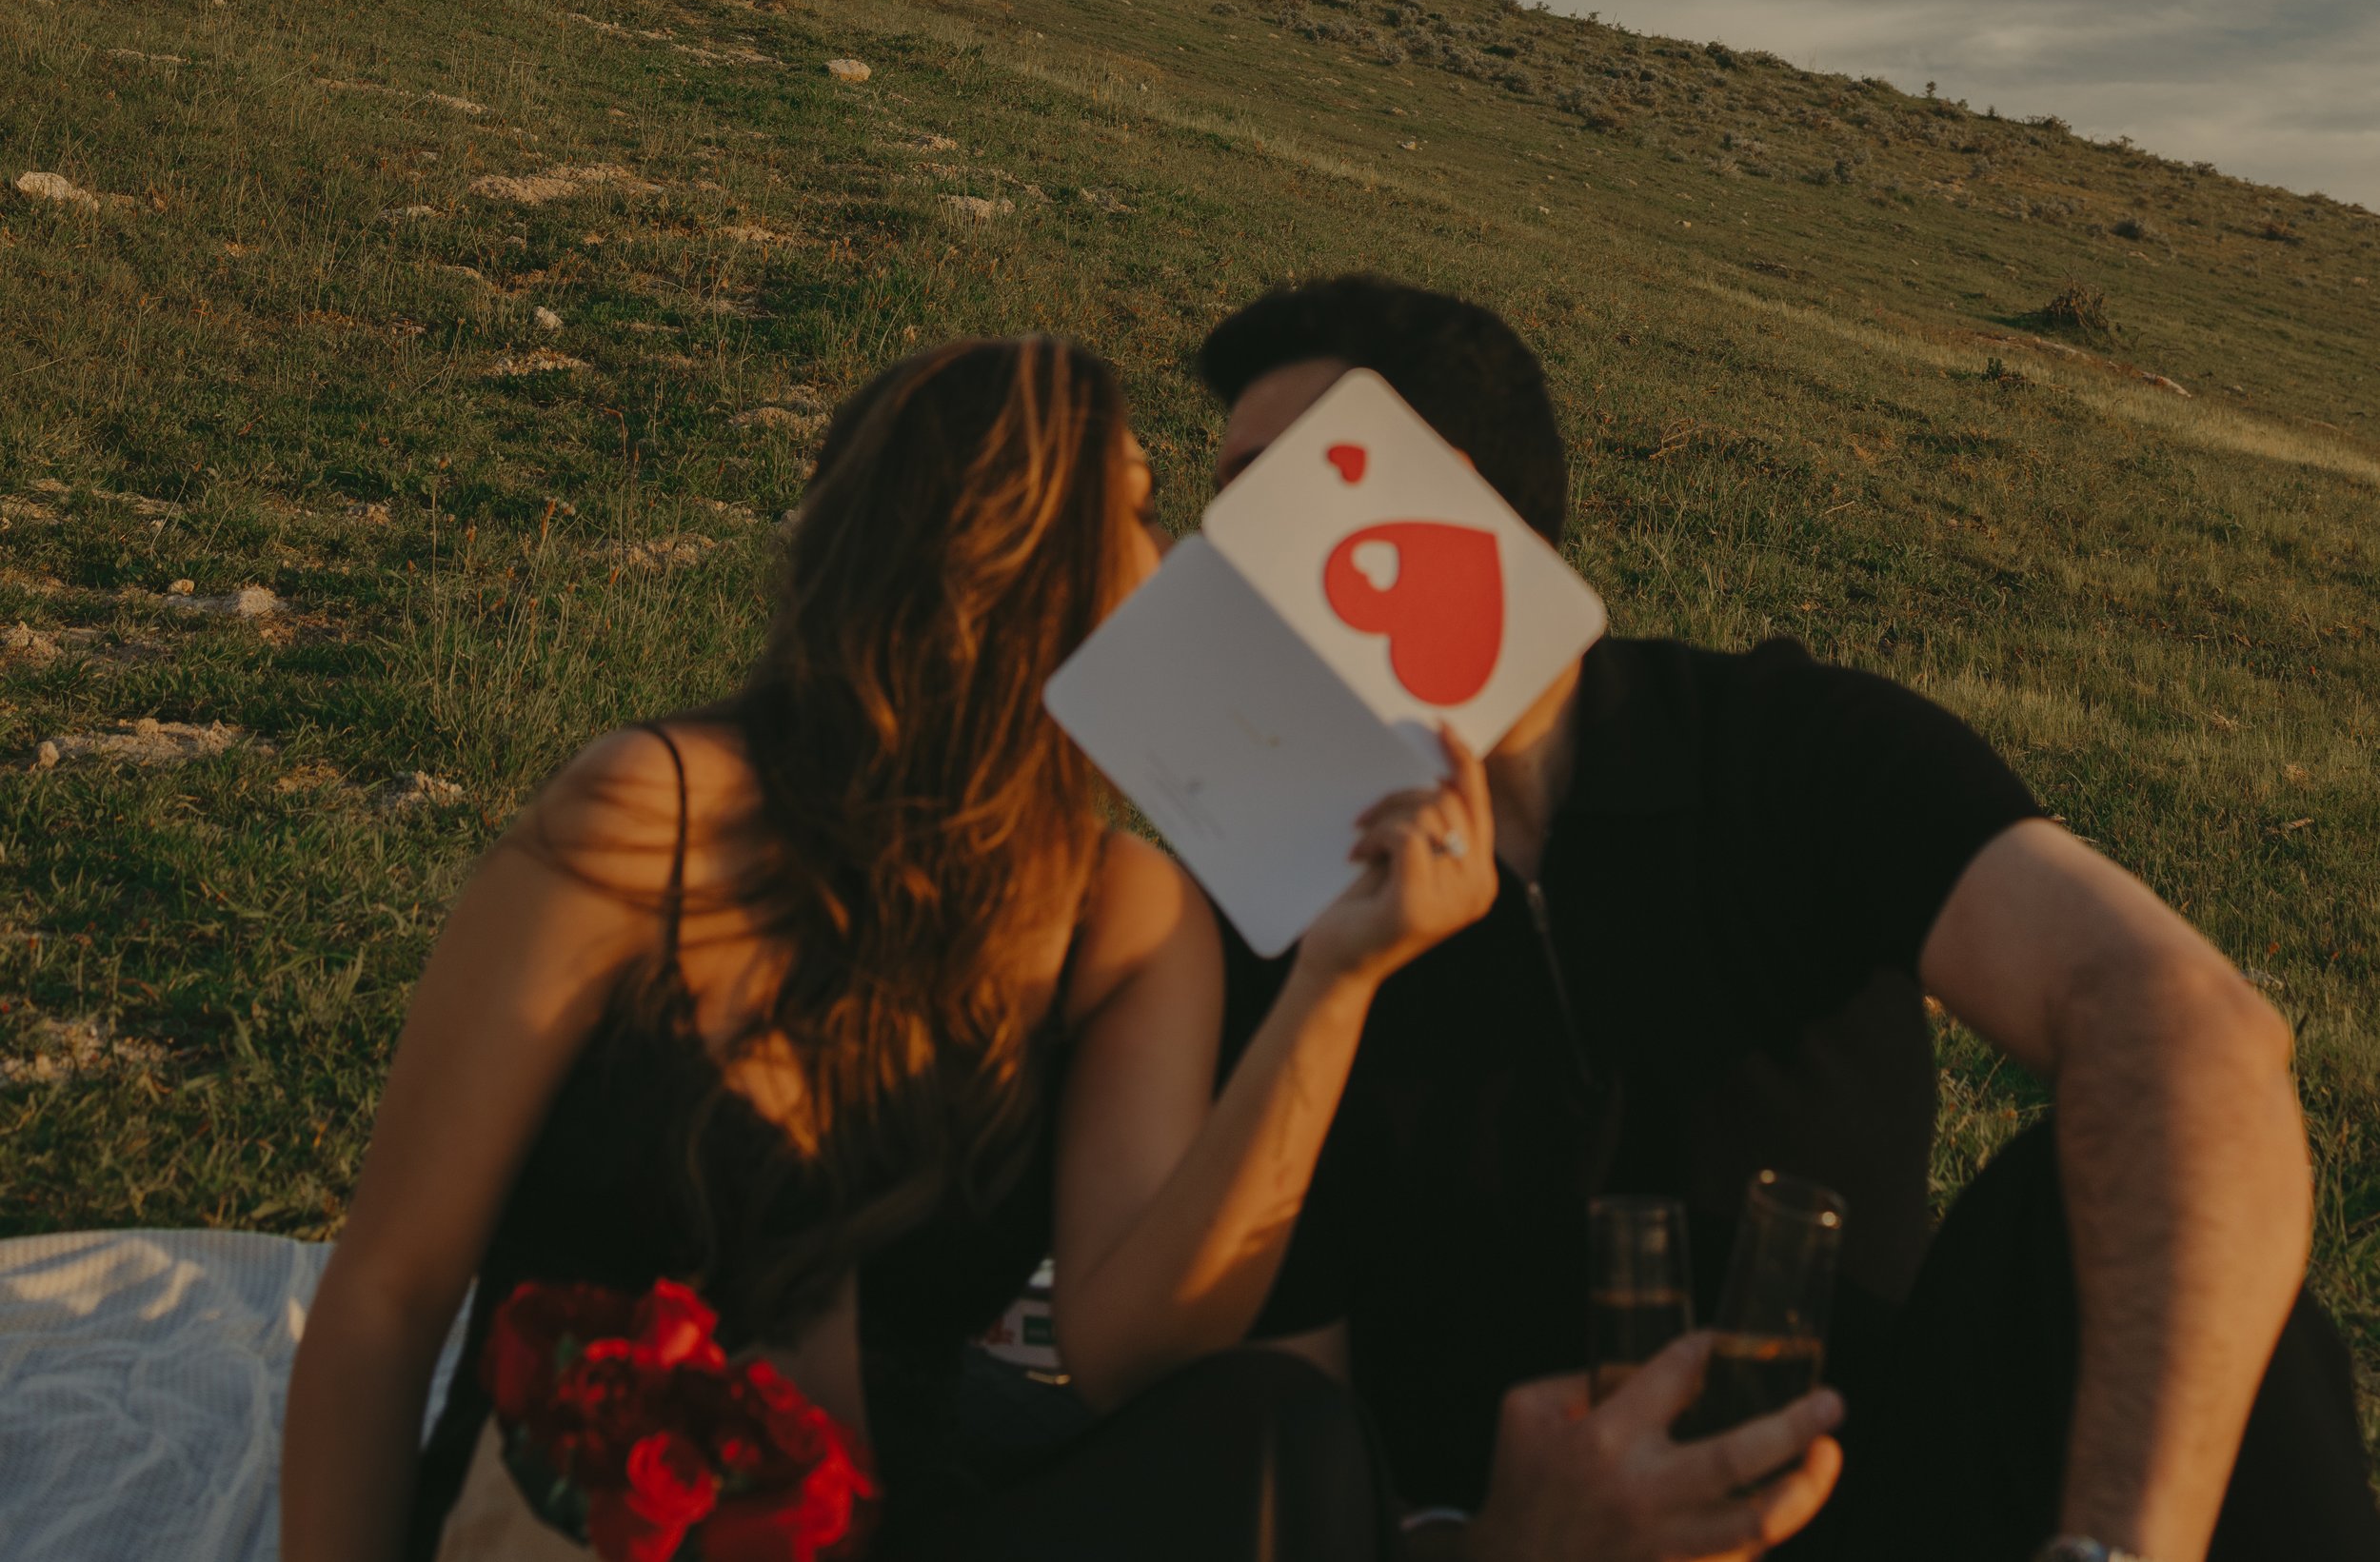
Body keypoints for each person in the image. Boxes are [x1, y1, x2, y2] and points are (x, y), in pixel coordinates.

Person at [1197, 275, 2380, 1562]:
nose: (1226, 569)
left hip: (1876, 1506)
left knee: (2114, 1198)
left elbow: (2183, 1023)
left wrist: (2113, 1549)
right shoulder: (1272, 909)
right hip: (1518, 1532)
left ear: (1452, 500)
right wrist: (1506, 1545)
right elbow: (1284, 1438)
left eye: (1271, 499)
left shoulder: (1782, 749)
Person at [283, 334, 1509, 1562]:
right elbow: (389, 1294)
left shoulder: (1122, 918)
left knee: (1287, 1435)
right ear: (1001, 547)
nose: (1171, 558)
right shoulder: (654, 820)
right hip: (565, 1526)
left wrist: (1334, 982)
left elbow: (1128, 1350)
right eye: (1136, 510)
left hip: (896, 1523)